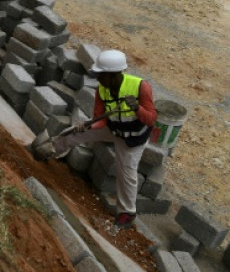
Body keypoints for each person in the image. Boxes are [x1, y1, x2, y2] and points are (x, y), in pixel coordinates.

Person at [51, 50, 157, 229]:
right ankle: (50, 150)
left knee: (126, 173)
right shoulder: (102, 89)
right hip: (113, 128)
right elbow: (100, 119)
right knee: (75, 133)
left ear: (114, 74)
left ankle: (127, 213)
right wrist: (87, 126)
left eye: (101, 75)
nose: (98, 79)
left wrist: (137, 108)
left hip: (133, 139)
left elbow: (151, 119)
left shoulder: (141, 87)